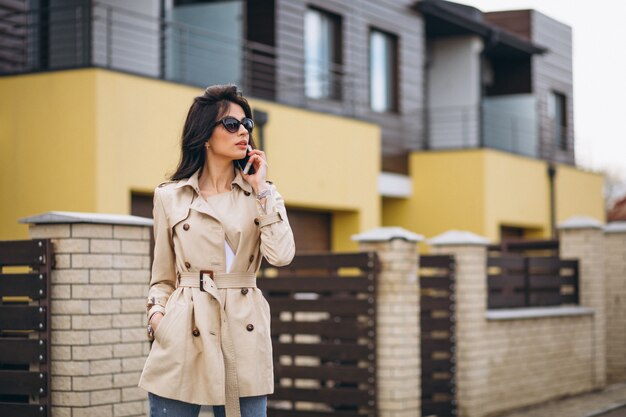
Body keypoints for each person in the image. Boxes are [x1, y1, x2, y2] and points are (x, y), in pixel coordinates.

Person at [138, 85, 295, 417]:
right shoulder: (170, 197)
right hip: (183, 332)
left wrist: (262, 189)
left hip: (243, 330)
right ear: (205, 135)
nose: (243, 133)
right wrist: (157, 320)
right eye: (231, 124)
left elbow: (280, 256)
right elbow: (162, 277)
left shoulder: (262, 193)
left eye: (247, 125)